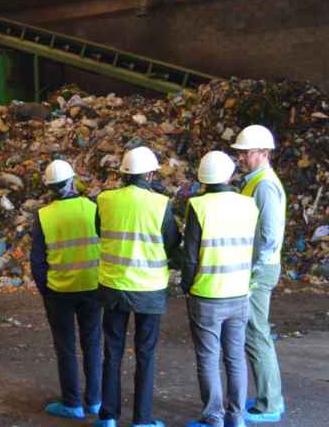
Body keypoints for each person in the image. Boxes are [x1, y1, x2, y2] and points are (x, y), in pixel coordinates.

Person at [93, 147, 180, 427]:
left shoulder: (104, 200)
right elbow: (171, 242)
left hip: (113, 286)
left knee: (112, 351)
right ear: (151, 174)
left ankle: (108, 416)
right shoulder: (160, 204)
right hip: (149, 290)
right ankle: (142, 419)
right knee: (145, 353)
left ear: (123, 174)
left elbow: (99, 231)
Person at [181, 151, 259, 427]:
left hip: (207, 294)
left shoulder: (198, 206)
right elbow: (256, 248)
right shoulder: (248, 204)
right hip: (239, 292)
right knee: (235, 357)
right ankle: (236, 418)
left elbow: (189, 256)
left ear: (202, 178)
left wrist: (186, 286)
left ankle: (213, 416)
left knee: (208, 357)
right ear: (229, 174)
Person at [30, 160, 102, 420]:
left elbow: (37, 261)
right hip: (92, 287)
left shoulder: (43, 215)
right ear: (73, 180)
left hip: (59, 291)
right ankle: (94, 401)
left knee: (66, 346)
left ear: (49, 187)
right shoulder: (93, 208)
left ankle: (72, 403)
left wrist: (46, 290)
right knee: (92, 344)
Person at [230, 124, 287, 423]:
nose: (240, 158)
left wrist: (253, 273)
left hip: (259, 269)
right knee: (255, 333)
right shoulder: (254, 181)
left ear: (263, 153)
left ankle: (269, 404)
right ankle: (269, 397)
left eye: (246, 153)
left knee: (256, 334)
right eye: (239, 153)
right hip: (256, 267)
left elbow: (269, 235)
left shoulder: (264, 184)